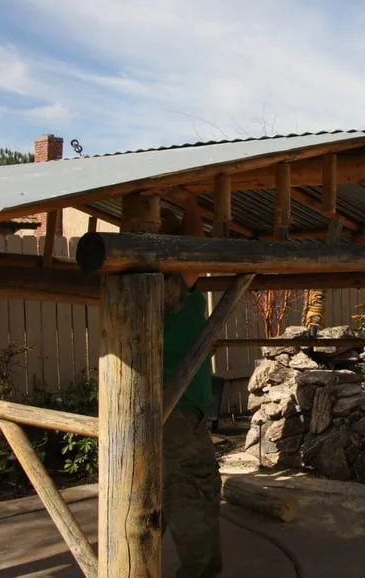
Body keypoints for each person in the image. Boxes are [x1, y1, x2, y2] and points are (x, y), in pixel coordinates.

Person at [161, 197, 223, 578]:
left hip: (179, 408)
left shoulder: (169, 284)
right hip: (174, 409)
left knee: (164, 495)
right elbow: (196, 251)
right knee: (193, 494)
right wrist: (194, 198)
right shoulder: (164, 284)